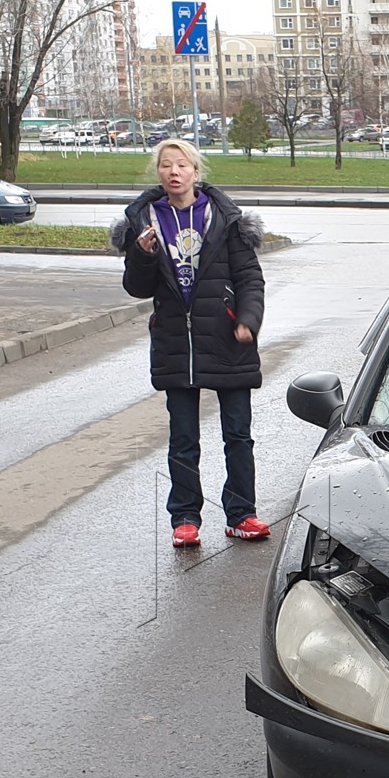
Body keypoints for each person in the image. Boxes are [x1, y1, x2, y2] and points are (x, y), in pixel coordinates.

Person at [110, 138, 272, 548]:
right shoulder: (144, 221)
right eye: (166, 166)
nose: (174, 172)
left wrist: (248, 320)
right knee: (183, 438)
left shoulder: (224, 219)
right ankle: (185, 518)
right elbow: (136, 288)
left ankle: (241, 514)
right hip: (175, 343)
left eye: (182, 165)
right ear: (159, 173)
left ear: (195, 173)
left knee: (237, 434)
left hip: (226, 337)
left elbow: (250, 278)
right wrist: (141, 254)